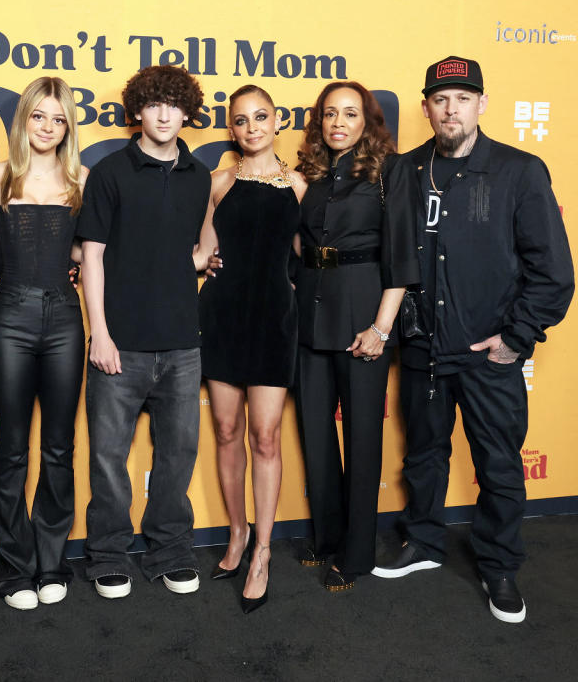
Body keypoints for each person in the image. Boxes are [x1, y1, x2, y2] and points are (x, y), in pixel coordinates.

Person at [372, 56, 574, 624]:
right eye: (440, 99)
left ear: (481, 105)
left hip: (489, 355)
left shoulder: (519, 170)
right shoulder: (404, 170)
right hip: (422, 350)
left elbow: (553, 271)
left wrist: (517, 337)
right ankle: (423, 542)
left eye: (463, 98)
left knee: (500, 464)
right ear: (427, 107)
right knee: (425, 456)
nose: (451, 108)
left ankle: (500, 565)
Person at [77, 65, 211, 600]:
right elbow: (93, 257)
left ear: (186, 112)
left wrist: (203, 260)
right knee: (109, 459)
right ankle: (108, 554)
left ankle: (170, 550)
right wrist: (100, 334)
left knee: (177, 457)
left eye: (173, 105)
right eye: (153, 104)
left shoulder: (199, 175)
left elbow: (196, 245)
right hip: (121, 343)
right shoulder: (109, 171)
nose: (163, 114)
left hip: (182, 341)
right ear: (137, 110)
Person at [0, 77, 87, 610]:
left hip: (64, 317)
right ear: (24, 120)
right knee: (11, 448)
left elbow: (92, 254)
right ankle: (14, 567)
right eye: (39, 116)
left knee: (59, 447)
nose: (47, 127)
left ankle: (52, 561)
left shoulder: (83, 179)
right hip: (10, 314)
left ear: (67, 128)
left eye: (58, 119)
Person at [291, 81, 419, 593]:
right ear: (319, 122)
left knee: (362, 437)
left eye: (349, 113)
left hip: (365, 310)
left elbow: (403, 256)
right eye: (329, 114)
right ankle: (327, 537)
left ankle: (357, 552)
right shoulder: (311, 175)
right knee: (315, 436)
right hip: (310, 307)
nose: (338, 122)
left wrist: (381, 327)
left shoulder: (392, 171)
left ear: (368, 120)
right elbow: (297, 242)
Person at [194, 85, 307, 613]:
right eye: (241, 121)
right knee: (225, 431)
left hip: (273, 322)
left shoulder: (301, 187)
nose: (252, 127)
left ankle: (262, 550)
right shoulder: (217, 184)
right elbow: (202, 252)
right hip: (221, 316)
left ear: (277, 121)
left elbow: (307, 261)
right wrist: (203, 262)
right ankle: (237, 532)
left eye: (261, 117)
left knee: (265, 436)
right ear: (232, 128)